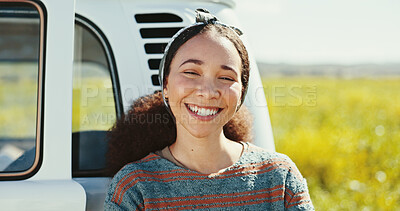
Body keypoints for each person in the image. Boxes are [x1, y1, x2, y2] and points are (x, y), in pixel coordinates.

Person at [104, 9, 314, 210]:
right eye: (191, 72)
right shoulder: (134, 187)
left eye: (225, 78)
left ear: (241, 92)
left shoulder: (279, 177)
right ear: (166, 85)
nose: (207, 91)